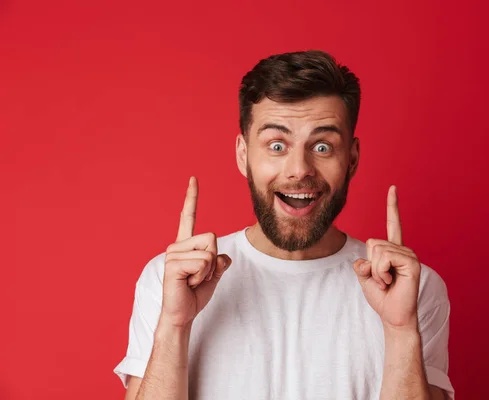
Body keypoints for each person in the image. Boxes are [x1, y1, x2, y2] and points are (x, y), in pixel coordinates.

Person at [114, 50, 455, 400]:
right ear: (243, 155)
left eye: (322, 146)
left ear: (351, 159)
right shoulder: (170, 281)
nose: (299, 169)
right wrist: (174, 324)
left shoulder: (412, 288)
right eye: (277, 145)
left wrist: (400, 331)